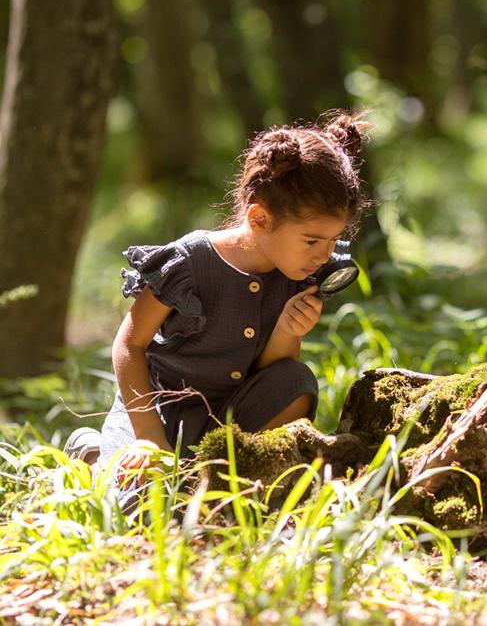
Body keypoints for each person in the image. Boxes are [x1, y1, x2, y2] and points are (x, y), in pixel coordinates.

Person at [64, 112, 371, 487]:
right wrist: (147, 436)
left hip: (227, 417)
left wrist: (289, 330)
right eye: (312, 240)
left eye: (331, 240)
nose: (324, 256)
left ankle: (223, 475)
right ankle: (94, 453)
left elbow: (272, 374)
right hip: (158, 412)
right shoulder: (190, 262)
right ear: (259, 219)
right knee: (143, 504)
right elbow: (129, 343)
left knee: (295, 382)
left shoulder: (296, 272)